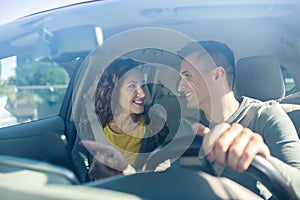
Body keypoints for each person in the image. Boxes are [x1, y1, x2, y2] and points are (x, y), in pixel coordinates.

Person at [177, 40, 300, 198]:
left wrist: (262, 159)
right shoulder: (188, 125)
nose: (180, 87)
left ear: (217, 75)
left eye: (187, 76)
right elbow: (167, 173)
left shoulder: (265, 116)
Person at [73, 58, 169, 181]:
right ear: (113, 91)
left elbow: (163, 171)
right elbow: (79, 171)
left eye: (143, 85)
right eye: (132, 86)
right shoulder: (90, 127)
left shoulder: (155, 125)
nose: (142, 93)